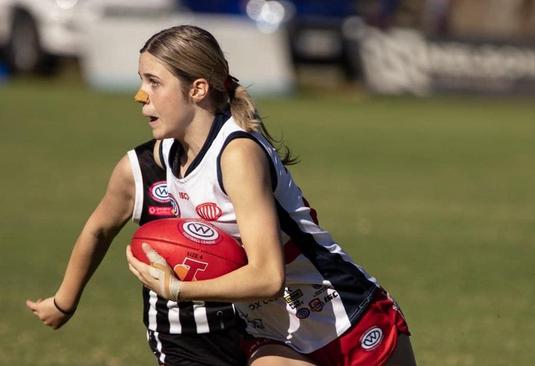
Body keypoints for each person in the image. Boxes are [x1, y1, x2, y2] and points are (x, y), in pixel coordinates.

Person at [125, 25, 417, 366]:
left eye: (153, 82)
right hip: (275, 333)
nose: (140, 95)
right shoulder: (169, 152)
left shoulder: (237, 155)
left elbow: (267, 276)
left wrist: (178, 290)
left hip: (344, 318)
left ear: (198, 89)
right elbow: (120, 186)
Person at [26, 136, 247, 365]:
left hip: (254, 320)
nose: (145, 103)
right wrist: (64, 302)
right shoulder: (139, 169)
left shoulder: (240, 157)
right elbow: (99, 230)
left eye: (152, 98)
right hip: (180, 331)